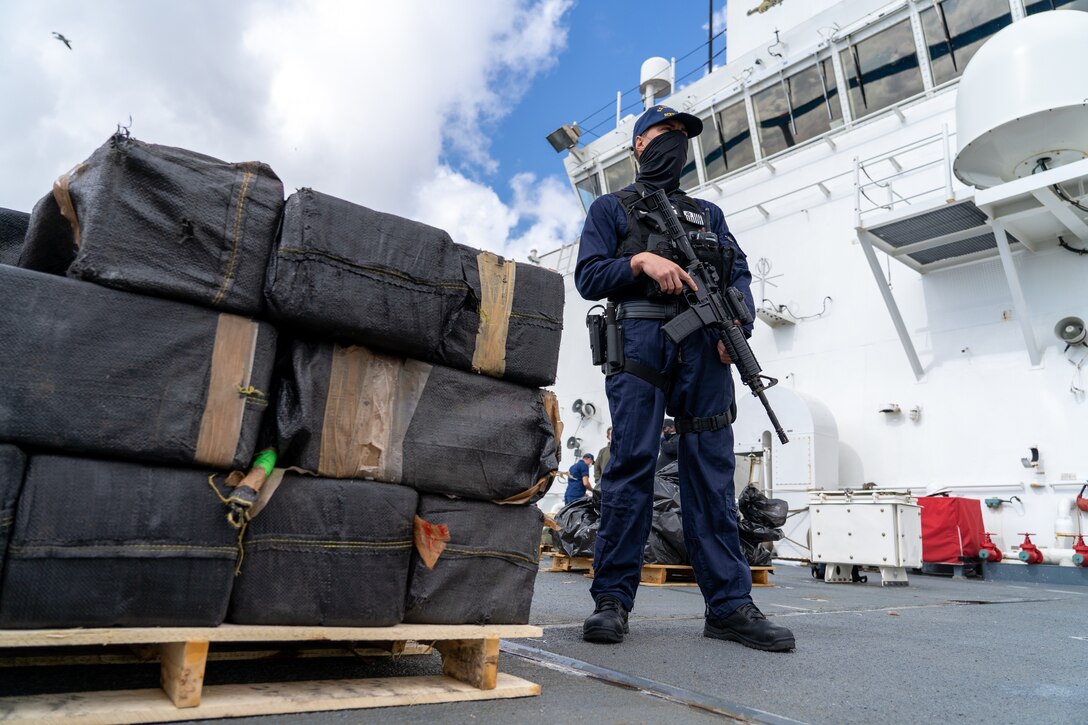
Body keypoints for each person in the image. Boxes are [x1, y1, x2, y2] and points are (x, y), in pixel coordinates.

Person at [573, 105, 795, 652]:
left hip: (707, 352)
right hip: (641, 347)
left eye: (681, 135)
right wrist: (641, 263)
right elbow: (588, 275)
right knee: (630, 471)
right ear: (638, 145)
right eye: (664, 133)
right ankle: (612, 602)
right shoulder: (612, 207)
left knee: (712, 479)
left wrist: (736, 322)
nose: (674, 142)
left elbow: (738, 275)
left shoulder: (709, 215)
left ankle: (729, 606)